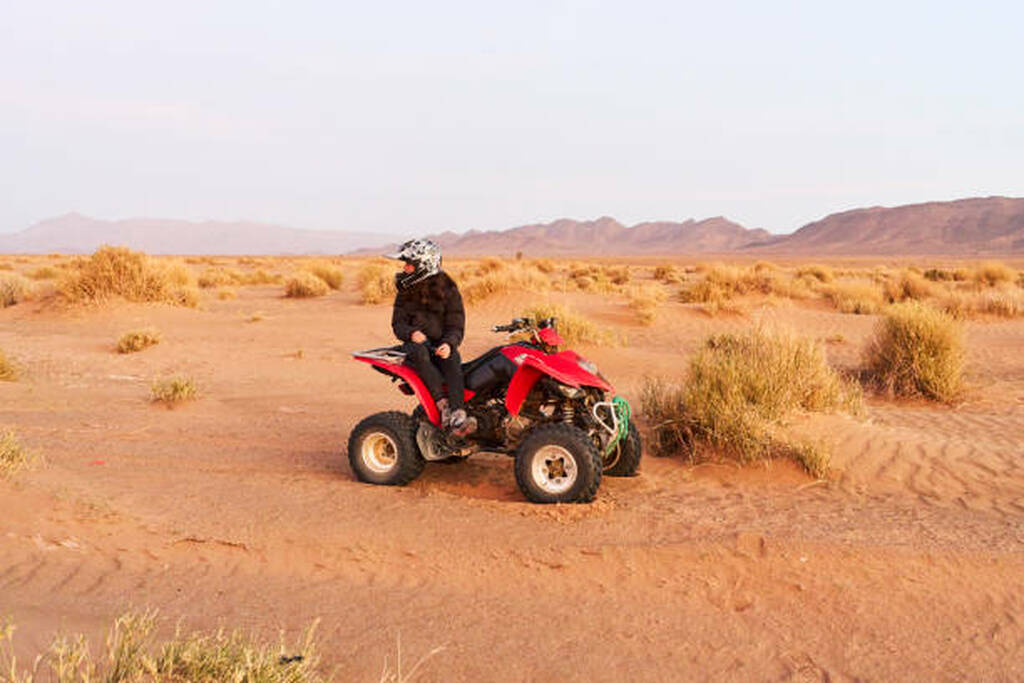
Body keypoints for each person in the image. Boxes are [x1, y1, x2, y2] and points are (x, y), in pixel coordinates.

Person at [385, 239, 469, 431]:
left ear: (424, 265)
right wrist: (411, 333)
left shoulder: (448, 291)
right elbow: (397, 324)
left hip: (440, 345)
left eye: (409, 264)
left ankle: (458, 412)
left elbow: (456, 324)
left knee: (453, 357)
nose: (405, 268)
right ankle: (442, 406)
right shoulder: (405, 292)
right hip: (414, 347)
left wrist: (449, 344)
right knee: (419, 352)